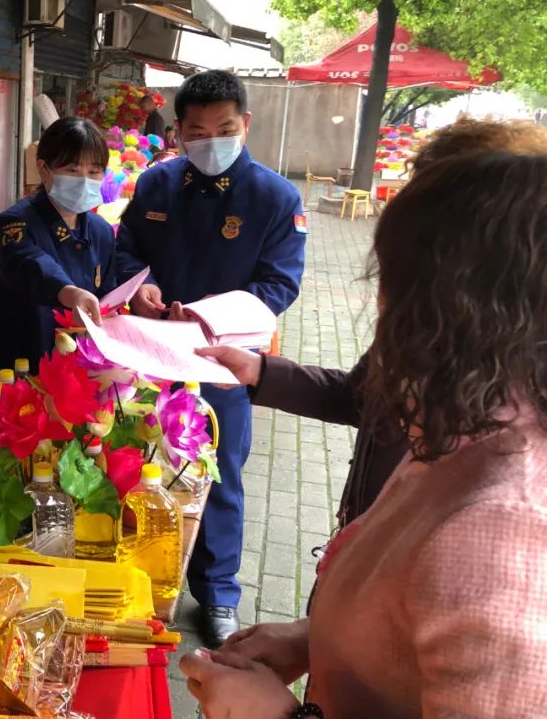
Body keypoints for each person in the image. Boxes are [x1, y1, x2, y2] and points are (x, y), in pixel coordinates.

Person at [181, 150, 547, 718]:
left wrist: (280, 715)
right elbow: (414, 626)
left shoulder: (499, 526)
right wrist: (315, 638)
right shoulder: (463, 422)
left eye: (391, 284)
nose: (379, 310)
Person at [199, 118, 547, 528]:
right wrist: (259, 371)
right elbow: (362, 398)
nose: (385, 297)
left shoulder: (502, 510)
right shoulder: (426, 328)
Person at [116, 70, 306, 646]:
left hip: (223, 363)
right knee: (137, 463)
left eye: (224, 129)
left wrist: (212, 319)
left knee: (217, 473)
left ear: (245, 124)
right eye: (198, 132)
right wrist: (139, 285)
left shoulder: (275, 197)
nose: (211, 141)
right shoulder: (156, 184)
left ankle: (218, 594)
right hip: (150, 354)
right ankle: (137, 576)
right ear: (178, 132)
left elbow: (279, 285)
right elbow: (126, 249)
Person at [0, 116, 114, 374]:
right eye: (72, 170)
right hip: (9, 362)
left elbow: (107, 292)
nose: (84, 180)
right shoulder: (14, 223)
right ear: (44, 169)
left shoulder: (101, 231)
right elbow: (31, 264)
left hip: (67, 366)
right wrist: (70, 293)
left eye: (94, 171)